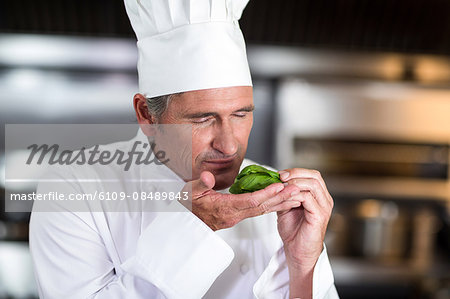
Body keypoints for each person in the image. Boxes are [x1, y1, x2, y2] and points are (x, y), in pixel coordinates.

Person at [29, 0, 339, 298]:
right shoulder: (74, 190)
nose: (229, 145)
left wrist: (302, 267)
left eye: (242, 114)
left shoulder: (274, 195)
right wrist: (195, 228)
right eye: (203, 119)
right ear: (147, 115)